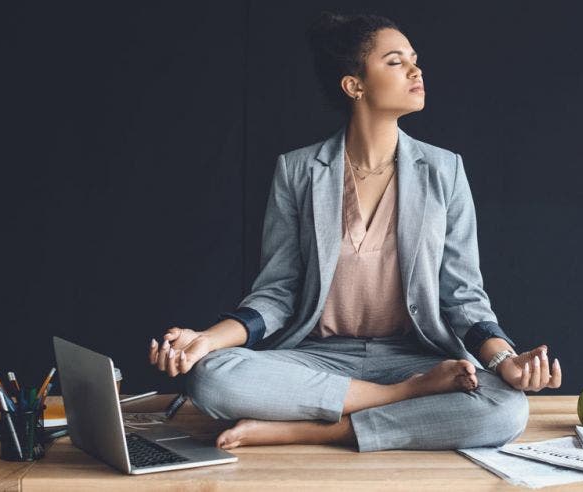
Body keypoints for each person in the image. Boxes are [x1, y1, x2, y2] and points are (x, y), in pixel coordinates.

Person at [147, 11, 561, 452]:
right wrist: (205, 340)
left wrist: (504, 359)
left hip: (412, 356)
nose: (416, 70)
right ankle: (399, 399)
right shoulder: (298, 171)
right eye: (395, 61)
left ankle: (315, 429)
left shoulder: (446, 171)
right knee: (211, 378)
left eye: (414, 59)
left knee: (506, 407)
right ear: (354, 85)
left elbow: (462, 296)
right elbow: (277, 294)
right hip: (319, 358)